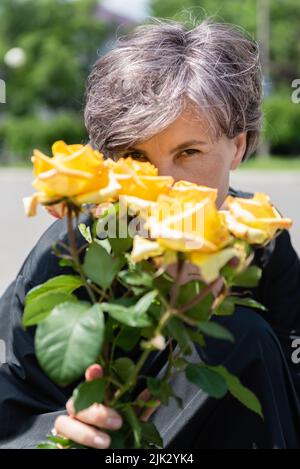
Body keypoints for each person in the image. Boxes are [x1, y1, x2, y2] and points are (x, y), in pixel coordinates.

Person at [1, 18, 300, 449]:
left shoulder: (261, 242)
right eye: (136, 155)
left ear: (237, 146)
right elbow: (13, 401)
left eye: (189, 152)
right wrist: (58, 430)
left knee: (241, 332)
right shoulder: (73, 251)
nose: (161, 182)